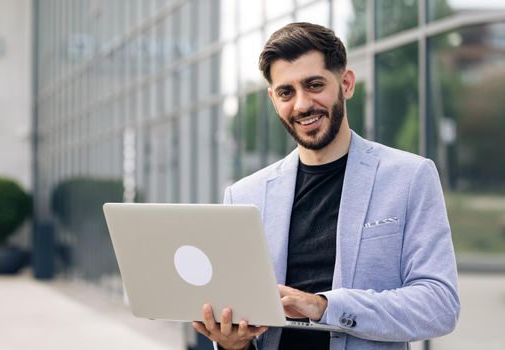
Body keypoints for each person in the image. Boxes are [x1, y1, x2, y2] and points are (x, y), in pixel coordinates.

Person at [192, 22, 460, 350]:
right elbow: (241, 319)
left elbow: (439, 305)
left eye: (314, 84)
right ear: (273, 100)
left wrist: (325, 306)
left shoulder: (409, 178)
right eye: (286, 92)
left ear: (346, 84)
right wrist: (234, 344)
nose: (302, 104)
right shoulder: (244, 196)